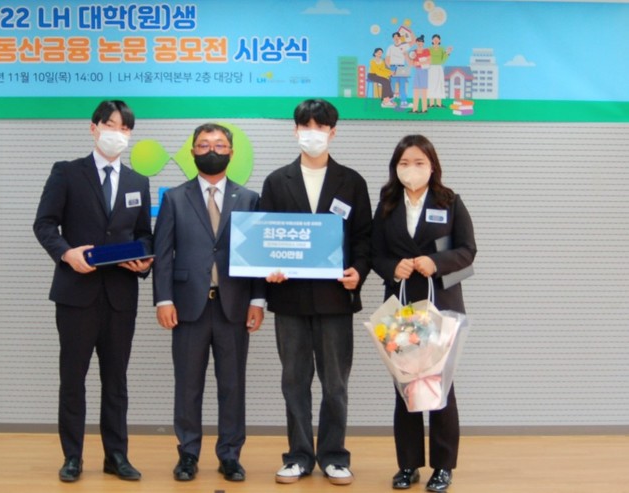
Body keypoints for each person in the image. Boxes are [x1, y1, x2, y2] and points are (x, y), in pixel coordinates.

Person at [33, 99, 153, 483]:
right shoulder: (67, 172)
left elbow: (143, 235)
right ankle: (72, 456)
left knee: (116, 381)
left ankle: (116, 455)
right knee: (73, 379)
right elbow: (44, 224)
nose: (118, 134)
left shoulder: (137, 182)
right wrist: (66, 253)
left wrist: (144, 261)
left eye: (125, 128)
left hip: (120, 296)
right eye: (111, 125)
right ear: (94, 128)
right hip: (76, 294)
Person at [261, 99, 372, 486]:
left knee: (335, 383)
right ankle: (298, 456)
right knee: (293, 381)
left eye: (320, 127)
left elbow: (363, 238)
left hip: (335, 299)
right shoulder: (277, 181)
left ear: (333, 132)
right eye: (306, 126)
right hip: (289, 299)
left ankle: (334, 455)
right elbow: (266, 237)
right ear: (295, 131)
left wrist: (359, 271)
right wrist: (268, 269)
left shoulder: (351, 181)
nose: (313, 133)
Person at [153, 123, 265, 483]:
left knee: (233, 385)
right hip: (188, 306)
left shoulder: (248, 199)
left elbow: (257, 254)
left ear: (231, 152)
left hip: (234, 306)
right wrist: (163, 299)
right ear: (192, 152)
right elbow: (163, 253)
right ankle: (188, 454)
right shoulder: (174, 198)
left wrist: (258, 300)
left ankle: (230, 455)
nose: (211, 150)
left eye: (218, 144)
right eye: (203, 145)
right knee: (188, 384)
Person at [370, 135, 476, 492]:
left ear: (432, 166)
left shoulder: (450, 201)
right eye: (404, 163)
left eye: (419, 163)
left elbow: (468, 250)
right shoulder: (387, 204)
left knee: (440, 386)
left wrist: (436, 262)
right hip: (401, 309)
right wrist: (392, 268)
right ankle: (408, 465)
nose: (411, 169)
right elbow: (375, 253)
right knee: (406, 387)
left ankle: (443, 467)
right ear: (395, 168)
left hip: (441, 306)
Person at [386, 31, 412, 108]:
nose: (396, 38)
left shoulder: (404, 46)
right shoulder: (390, 47)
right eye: (394, 37)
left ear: (400, 37)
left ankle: (403, 101)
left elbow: (413, 41)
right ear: (393, 38)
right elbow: (387, 59)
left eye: (397, 36)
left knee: (402, 84)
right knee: (392, 84)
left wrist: (407, 30)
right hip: (393, 67)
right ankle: (391, 101)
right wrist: (390, 69)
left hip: (401, 67)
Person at [427, 34, 452, 108]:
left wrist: (448, 52)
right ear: (432, 40)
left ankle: (439, 103)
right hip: (431, 68)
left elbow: (443, 60)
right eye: (434, 39)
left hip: (439, 68)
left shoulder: (442, 49)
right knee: (431, 85)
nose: (435, 41)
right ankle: (431, 103)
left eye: (437, 39)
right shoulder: (429, 49)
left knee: (439, 85)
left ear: (440, 40)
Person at [408, 35, 431, 113]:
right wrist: (407, 57)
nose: (420, 43)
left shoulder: (426, 50)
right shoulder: (413, 52)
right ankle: (415, 109)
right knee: (416, 90)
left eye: (421, 42)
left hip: (424, 71)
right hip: (417, 71)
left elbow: (429, 61)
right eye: (418, 42)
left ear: (423, 43)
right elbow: (411, 64)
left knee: (424, 90)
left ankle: (424, 109)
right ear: (416, 42)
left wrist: (418, 63)